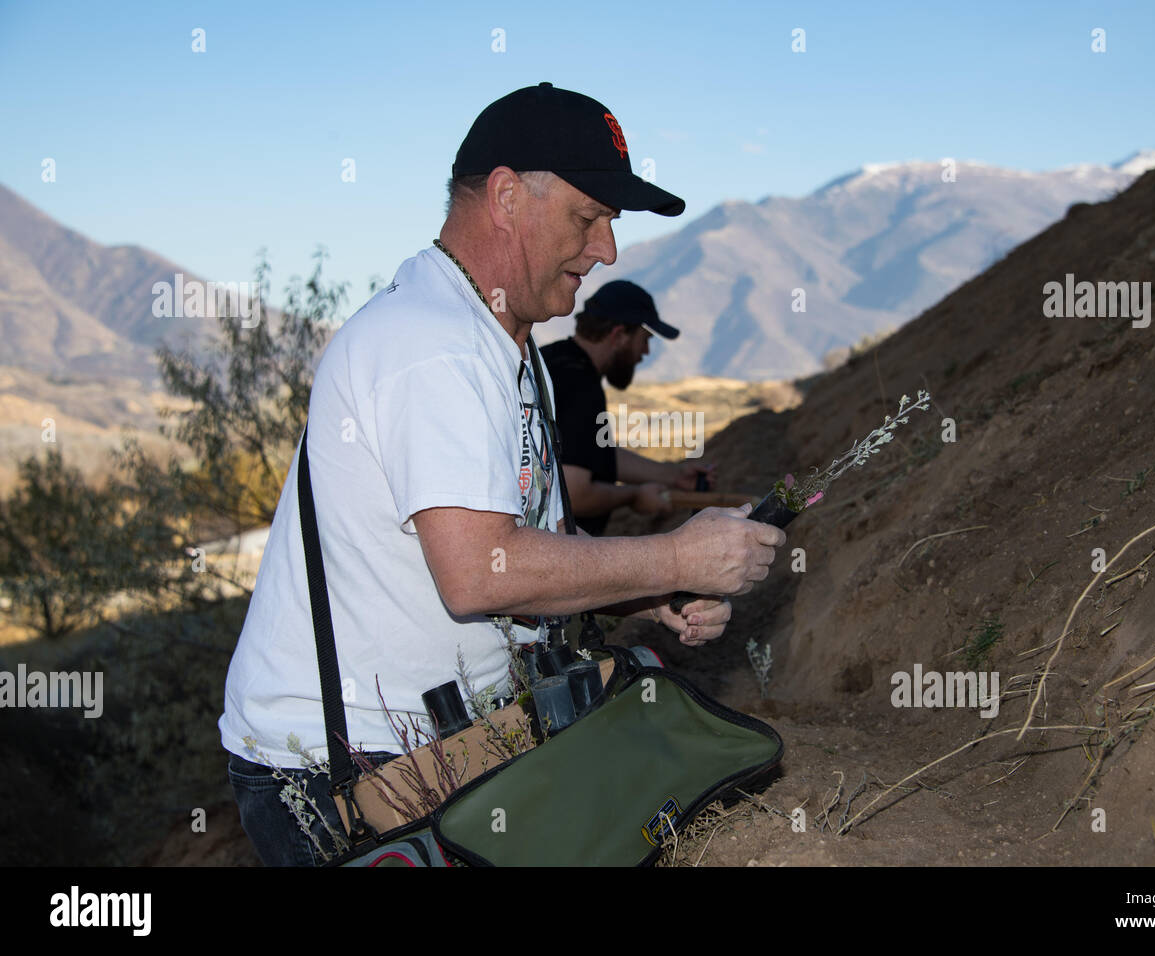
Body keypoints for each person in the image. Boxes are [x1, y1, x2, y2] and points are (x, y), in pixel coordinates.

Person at [218, 82, 785, 866]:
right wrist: (677, 557)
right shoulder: (433, 342)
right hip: (344, 774)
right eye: (590, 219)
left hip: (437, 734)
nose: (607, 251)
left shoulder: (507, 345)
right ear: (508, 196)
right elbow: (480, 574)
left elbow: (529, 544)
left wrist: (649, 591)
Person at [541, 280, 716, 536]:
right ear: (619, 335)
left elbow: (589, 455)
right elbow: (576, 494)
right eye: (644, 340)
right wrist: (634, 496)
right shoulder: (581, 386)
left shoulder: (552, 360)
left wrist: (673, 477)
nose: (645, 352)